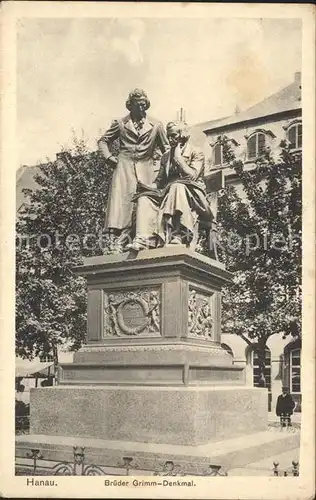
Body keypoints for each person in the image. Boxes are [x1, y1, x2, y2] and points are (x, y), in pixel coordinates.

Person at [98, 88, 169, 252]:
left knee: (145, 203)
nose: (142, 109)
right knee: (121, 205)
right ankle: (116, 242)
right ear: (130, 106)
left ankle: (144, 238)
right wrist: (109, 158)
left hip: (147, 169)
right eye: (138, 105)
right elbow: (103, 141)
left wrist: (164, 170)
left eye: (144, 105)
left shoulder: (156, 125)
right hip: (124, 167)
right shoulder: (120, 124)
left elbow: (166, 149)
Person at [127, 120, 213, 251]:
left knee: (176, 186)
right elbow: (159, 182)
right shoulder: (166, 156)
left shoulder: (196, 152)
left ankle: (177, 235)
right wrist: (145, 186)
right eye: (169, 136)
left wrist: (178, 158)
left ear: (183, 135)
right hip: (168, 193)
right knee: (144, 198)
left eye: (174, 135)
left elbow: (192, 176)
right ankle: (144, 239)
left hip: (193, 194)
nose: (170, 139)